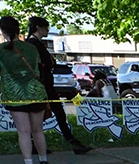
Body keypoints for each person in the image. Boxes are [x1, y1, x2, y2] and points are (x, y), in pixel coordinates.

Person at [0, 16, 48, 164]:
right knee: (38, 130)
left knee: (23, 131)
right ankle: (44, 161)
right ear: (18, 29)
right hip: (36, 92)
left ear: (2, 30)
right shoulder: (31, 48)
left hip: (14, 95)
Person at [26, 16, 92, 155]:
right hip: (42, 84)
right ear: (38, 27)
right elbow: (44, 63)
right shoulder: (33, 44)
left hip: (46, 82)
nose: (47, 31)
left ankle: (70, 141)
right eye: (45, 28)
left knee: (54, 112)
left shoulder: (36, 43)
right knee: (47, 114)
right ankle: (70, 142)